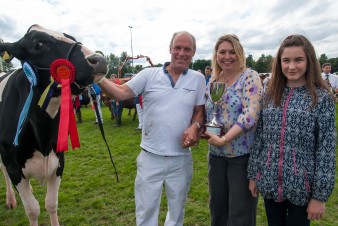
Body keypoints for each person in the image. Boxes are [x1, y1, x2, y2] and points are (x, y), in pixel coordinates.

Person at [94, 31, 206, 226]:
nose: (181, 53)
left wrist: (195, 126)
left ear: (193, 52)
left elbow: (199, 111)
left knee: (177, 213)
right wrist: (98, 78)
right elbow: (120, 93)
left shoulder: (197, 79)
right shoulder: (149, 74)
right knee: (146, 214)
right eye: (177, 47)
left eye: (187, 49)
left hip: (181, 157)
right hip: (150, 156)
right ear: (170, 49)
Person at [247, 35, 336, 226]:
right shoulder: (270, 96)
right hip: (270, 182)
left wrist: (319, 196)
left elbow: (326, 150)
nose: (291, 66)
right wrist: (254, 175)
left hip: (303, 188)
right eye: (286, 60)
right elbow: (260, 138)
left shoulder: (321, 99)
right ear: (279, 63)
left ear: (309, 61)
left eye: (298, 60)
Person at [204, 34, 263, 226]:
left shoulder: (250, 76)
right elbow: (210, 112)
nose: (227, 56)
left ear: (240, 54)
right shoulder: (214, 80)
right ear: (216, 55)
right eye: (222, 52)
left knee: (240, 212)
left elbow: (250, 114)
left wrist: (225, 139)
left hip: (241, 156)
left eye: (232, 52)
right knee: (218, 208)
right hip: (216, 155)